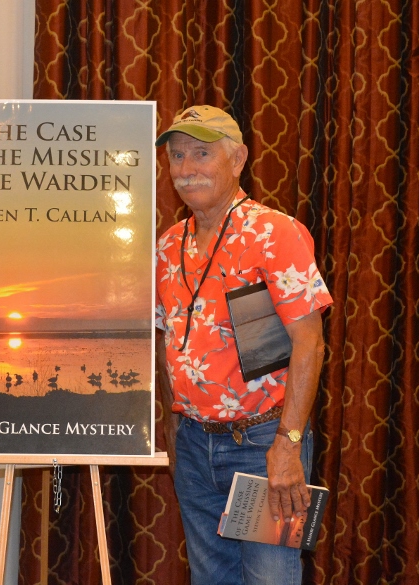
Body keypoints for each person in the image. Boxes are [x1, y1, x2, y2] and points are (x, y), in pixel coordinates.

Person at [155, 105, 332, 584]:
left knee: (269, 579)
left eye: (200, 153)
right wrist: (171, 425)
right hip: (193, 443)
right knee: (210, 577)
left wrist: (288, 445)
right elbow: (164, 339)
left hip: (261, 445)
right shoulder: (168, 246)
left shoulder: (276, 234)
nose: (186, 168)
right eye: (176, 156)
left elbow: (310, 345)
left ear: (238, 160)